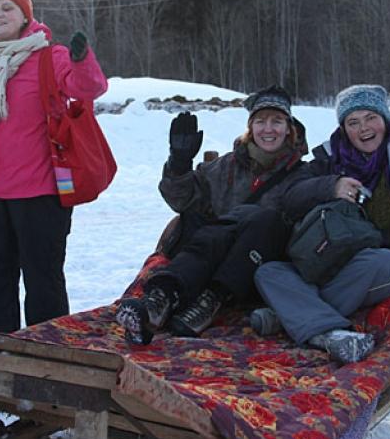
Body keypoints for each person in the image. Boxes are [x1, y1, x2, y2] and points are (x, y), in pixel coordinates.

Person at [252, 33, 390, 365]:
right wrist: (331, 186)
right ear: (344, 129)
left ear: (384, 120)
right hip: (332, 264)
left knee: (375, 261)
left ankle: (289, 317)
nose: (363, 128)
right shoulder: (329, 160)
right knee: (269, 272)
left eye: (370, 118)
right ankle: (329, 332)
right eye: (353, 122)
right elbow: (289, 197)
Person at [0, 0, 108, 333]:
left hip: (39, 194)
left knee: (43, 285)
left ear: (26, 15)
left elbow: (89, 89)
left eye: (7, 8)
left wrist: (82, 60)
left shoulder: (49, 57)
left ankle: (47, 361)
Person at [115, 86, 305, 345]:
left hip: (253, 269)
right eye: (260, 121)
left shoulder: (302, 175)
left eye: (277, 121)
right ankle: (156, 304)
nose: (268, 129)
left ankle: (211, 300)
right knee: (198, 223)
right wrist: (179, 163)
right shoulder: (225, 167)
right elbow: (181, 200)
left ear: (289, 128)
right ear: (251, 127)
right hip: (206, 258)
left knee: (261, 219)